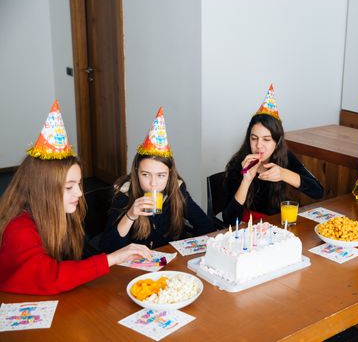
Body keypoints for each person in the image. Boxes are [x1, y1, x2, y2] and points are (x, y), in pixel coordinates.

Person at [0, 101, 152, 295]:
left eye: (78, 184)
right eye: (69, 187)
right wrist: (111, 259)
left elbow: (75, 261)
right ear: (42, 190)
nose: (80, 193)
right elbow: (47, 277)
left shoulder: (61, 214)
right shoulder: (18, 228)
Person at [99, 108, 217, 252]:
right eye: (146, 174)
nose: (153, 183)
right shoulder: (123, 195)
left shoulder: (177, 191)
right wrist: (130, 215)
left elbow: (206, 227)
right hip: (134, 269)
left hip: (169, 264)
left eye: (161, 175)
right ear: (136, 172)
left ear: (170, 174)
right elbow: (107, 249)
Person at [222, 84, 324, 226]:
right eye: (254, 138)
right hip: (250, 233)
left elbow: (318, 192)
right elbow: (229, 220)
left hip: (279, 229)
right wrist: (246, 181)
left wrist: (283, 174)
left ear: (277, 142)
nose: (258, 145)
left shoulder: (286, 157)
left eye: (266, 139)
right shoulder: (238, 164)